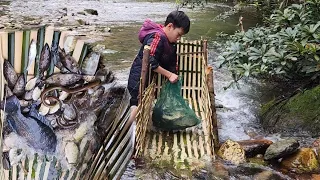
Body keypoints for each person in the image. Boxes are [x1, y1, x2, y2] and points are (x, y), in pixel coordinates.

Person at [127, 10, 190, 122]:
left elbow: (170, 61)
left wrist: (174, 74)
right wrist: (169, 75)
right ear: (170, 26)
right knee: (135, 104)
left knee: (142, 103)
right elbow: (150, 60)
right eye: (178, 34)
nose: (179, 38)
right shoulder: (157, 37)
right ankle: (128, 130)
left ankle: (136, 125)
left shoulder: (169, 42)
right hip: (138, 79)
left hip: (146, 79)